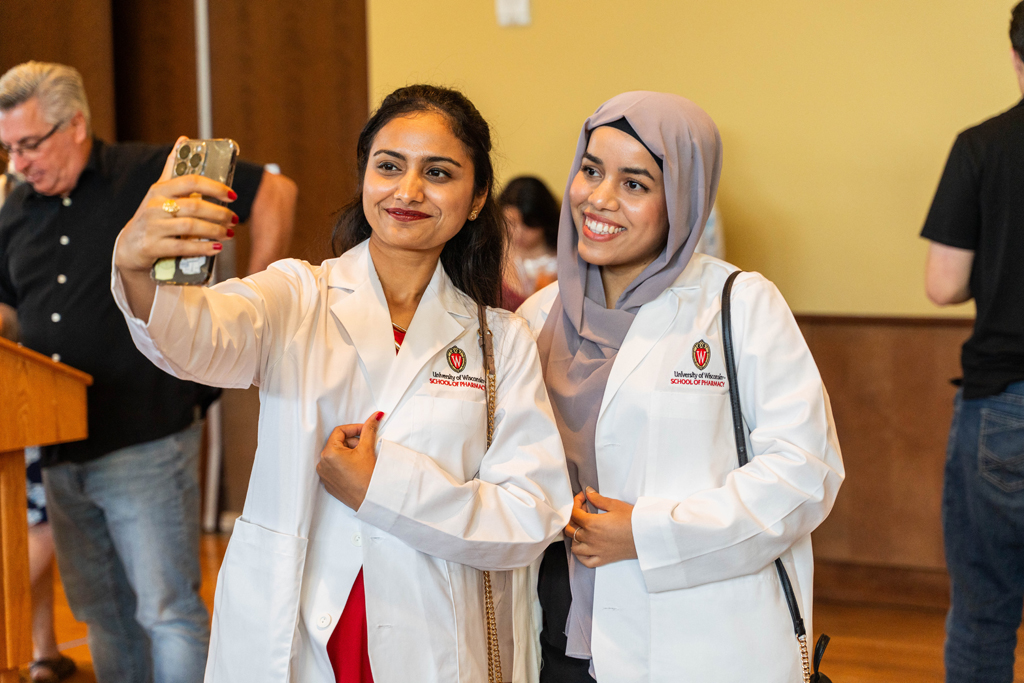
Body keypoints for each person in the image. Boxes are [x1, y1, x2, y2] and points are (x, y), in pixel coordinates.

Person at [112, 84, 573, 682]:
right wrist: (135, 266)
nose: (408, 191)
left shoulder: (500, 340)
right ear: (364, 177)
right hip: (299, 630)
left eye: (438, 172)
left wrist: (381, 487)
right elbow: (195, 337)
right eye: (389, 167)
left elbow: (530, 518)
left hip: (431, 635)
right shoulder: (297, 294)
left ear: (478, 195)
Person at [518, 91, 845, 681]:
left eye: (635, 184)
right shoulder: (536, 318)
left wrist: (645, 533)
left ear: (685, 200)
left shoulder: (739, 305)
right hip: (554, 627)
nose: (599, 198)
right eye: (590, 170)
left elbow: (804, 474)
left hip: (691, 633)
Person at [0, 61, 297, 683]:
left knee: (166, 611)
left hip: (145, 437)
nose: (19, 163)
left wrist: (250, 293)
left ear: (76, 124)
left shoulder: (149, 173)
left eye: (30, 144)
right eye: (8, 149)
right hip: (57, 445)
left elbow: (277, 191)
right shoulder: (15, 211)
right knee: (101, 612)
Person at [921, 4, 1024, 680]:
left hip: (1004, 404)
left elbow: (943, 284)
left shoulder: (982, 146)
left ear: (1018, 57)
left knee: (985, 609)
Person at [498, 176, 559, 309]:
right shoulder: (491, 253)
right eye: (510, 223)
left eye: (529, 224)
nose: (518, 233)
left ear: (544, 221)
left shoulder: (564, 260)